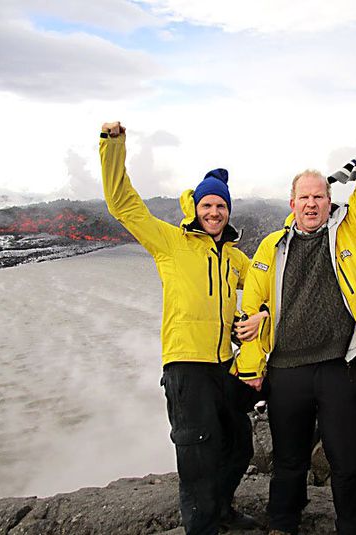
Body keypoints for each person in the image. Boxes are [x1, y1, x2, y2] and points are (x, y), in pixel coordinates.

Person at [234, 86, 356, 535]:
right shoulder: (271, 247)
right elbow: (251, 309)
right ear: (291, 204)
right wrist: (253, 367)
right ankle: (283, 525)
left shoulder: (351, 230)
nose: (311, 204)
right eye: (303, 198)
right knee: (288, 462)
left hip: (340, 368)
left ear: (328, 201)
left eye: (318, 196)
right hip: (286, 372)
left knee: (349, 463)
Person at [99, 122, 265, 535]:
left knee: (239, 442)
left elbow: (266, 286)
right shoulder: (171, 243)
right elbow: (123, 205)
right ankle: (201, 526)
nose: (214, 213)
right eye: (207, 206)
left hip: (223, 365)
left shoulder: (232, 256)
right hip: (185, 367)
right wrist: (113, 144)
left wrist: (261, 315)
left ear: (229, 211)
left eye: (221, 207)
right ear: (196, 208)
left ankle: (221, 510)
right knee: (198, 455)